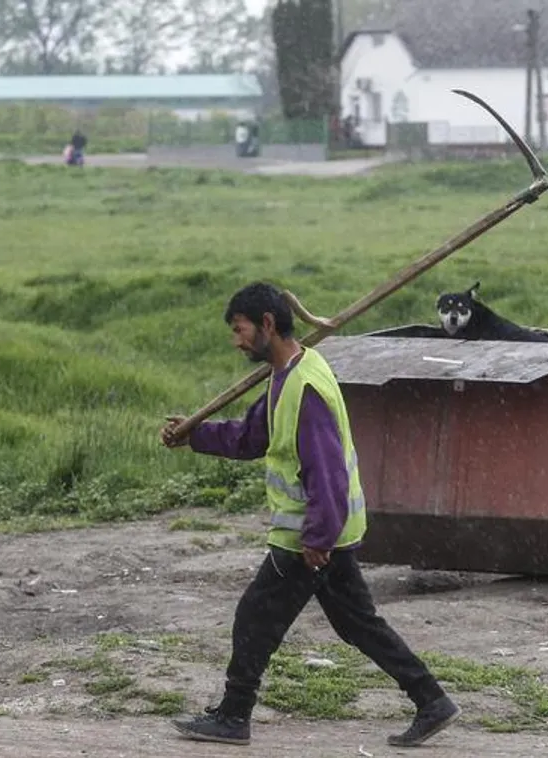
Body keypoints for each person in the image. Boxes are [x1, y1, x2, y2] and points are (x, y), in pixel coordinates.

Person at [160, 282, 460, 748]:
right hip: (326, 533)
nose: (236, 341)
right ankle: (431, 700)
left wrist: (317, 539)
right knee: (358, 624)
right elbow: (252, 437)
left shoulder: (306, 388)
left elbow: (328, 473)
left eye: (240, 330)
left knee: (255, 618)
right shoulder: (288, 375)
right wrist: (194, 435)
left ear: (267, 324)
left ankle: (234, 715)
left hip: (309, 536)